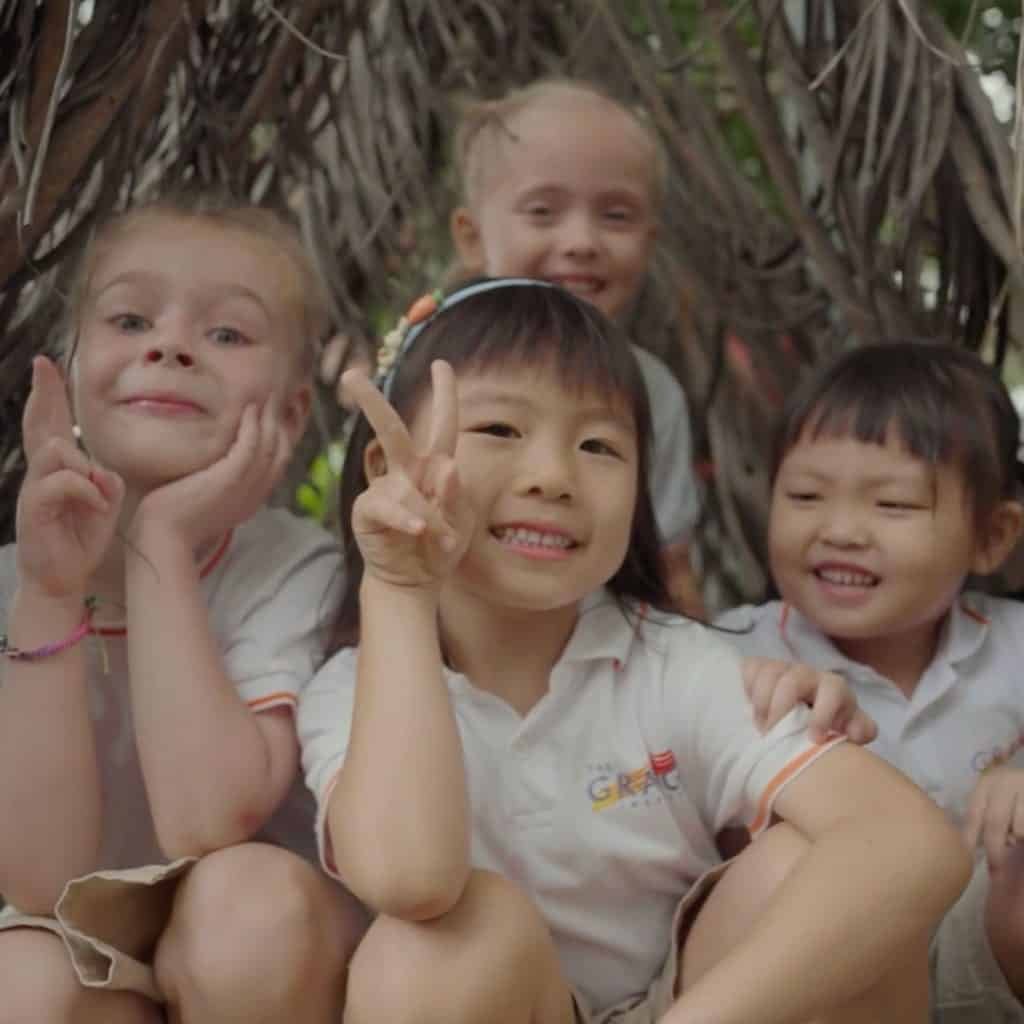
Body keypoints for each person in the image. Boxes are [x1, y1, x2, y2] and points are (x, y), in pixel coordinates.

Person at [298, 278, 970, 1024]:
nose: (552, 477)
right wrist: (396, 587)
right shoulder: (353, 691)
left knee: (805, 868)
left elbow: (910, 842)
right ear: (384, 470)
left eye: (598, 445)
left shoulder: (674, 665)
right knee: (434, 943)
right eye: (497, 431)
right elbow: (411, 877)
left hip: (688, 1004)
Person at [0, 193, 365, 1024]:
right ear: (71, 364)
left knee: (246, 912)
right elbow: (41, 882)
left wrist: (161, 539)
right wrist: (51, 595)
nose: (167, 346)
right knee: (19, 977)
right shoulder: (16, 580)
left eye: (227, 334)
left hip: (265, 966)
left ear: (293, 410)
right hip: (104, 955)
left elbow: (206, 819)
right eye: (129, 320)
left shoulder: (293, 567)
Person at [717, 341, 1024, 1022]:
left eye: (893, 505)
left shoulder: (1014, 647)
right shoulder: (730, 655)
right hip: (831, 977)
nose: (841, 531)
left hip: (988, 968)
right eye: (805, 495)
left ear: (993, 537)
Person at [445, 77, 706, 615]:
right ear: (471, 237)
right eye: (542, 211)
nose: (582, 242)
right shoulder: (433, 372)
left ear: (649, 241)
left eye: (616, 215)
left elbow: (670, 571)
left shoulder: (652, 392)